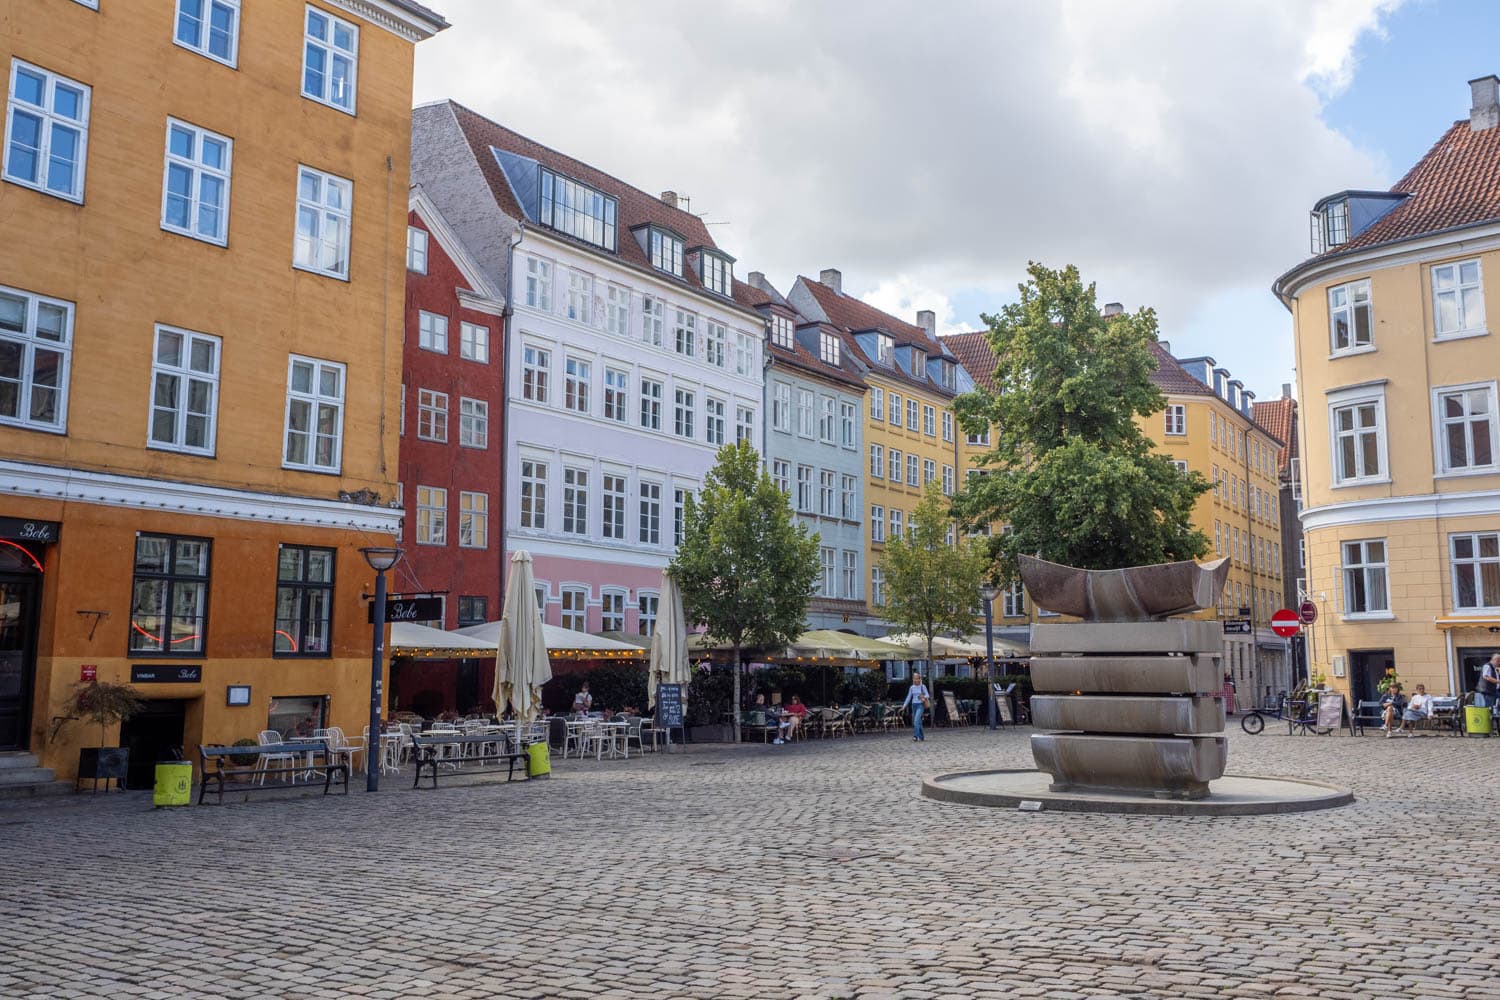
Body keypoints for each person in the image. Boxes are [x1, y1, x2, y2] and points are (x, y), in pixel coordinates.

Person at [902, 672, 932, 741]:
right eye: (914, 678)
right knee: (919, 722)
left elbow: (927, 695)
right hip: (914, 705)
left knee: (916, 721)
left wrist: (923, 697)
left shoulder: (922, 686)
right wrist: (904, 706)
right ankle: (921, 737)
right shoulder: (912, 687)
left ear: (919, 679)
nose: (915, 680)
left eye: (916, 678)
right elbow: (908, 697)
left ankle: (915, 736)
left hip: (920, 705)